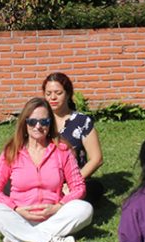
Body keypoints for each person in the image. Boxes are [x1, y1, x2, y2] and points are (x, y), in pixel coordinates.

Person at [0, 97, 94, 242]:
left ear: (50, 124)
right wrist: (15, 209)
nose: (38, 126)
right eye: (32, 121)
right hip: (19, 215)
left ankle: (20, 236)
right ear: (24, 122)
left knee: (85, 209)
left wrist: (58, 207)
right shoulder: (12, 151)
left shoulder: (62, 150)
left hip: (54, 215)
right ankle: (49, 239)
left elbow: (78, 187)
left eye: (44, 122)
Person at [43, 72, 105, 202]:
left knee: (94, 188)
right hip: (44, 182)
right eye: (48, 94)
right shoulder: (38, 121)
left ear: (68, 94)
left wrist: (73, 183)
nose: (53, 97)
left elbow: (97, 159)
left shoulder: (82, 121)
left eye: (58, 93)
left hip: (74, 181)